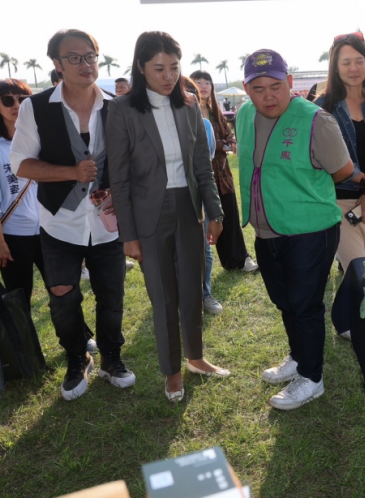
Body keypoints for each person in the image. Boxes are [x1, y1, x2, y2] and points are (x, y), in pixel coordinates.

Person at [239, 48, 365, 409]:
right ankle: (299, 357)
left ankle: (312, 377)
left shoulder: (318, 121)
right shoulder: (243, 116)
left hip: (309, 231)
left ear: (290, 83)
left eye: (276, 86)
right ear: (246, 90)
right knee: (285, 301)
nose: (268, 96)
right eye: (258, 89)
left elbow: (343, 171)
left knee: (305, 304)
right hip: (266, 230)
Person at [11, 29, 135, 401]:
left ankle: (111, 355)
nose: (86, 64)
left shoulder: (116, 107)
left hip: (107, 221)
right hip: (58, 221)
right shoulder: (37, 107)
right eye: (75, 58)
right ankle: (77, 356)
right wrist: (70, 172)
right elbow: (21, 163)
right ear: (56, 64)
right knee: (62, 293)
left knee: (111, 293)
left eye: (91, 56)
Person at [106, 31, 228, 403]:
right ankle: (171, 372)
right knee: (163, 296)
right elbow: (120, 179)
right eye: (159, 68)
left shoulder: (189, 106)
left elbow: (202, 168)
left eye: (174, 67)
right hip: (149, 216)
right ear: (141, 67)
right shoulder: (122, 110)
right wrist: (129, 234)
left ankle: (195, 357)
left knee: (192, 287)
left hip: (188, 210)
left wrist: (215, 212)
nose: (168, 75)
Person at [315, 32, 365, 276]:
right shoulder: (322, 106)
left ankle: (350, 313)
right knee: (360, 271)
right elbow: (328, 159)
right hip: (338, 201)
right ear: (335, 68)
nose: (354, 68)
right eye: (346, 62)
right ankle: (359, 313)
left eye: (359, 61)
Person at [0, 79, 45, 310]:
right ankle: (23, 346)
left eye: (23, 99)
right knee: (19, 296)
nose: (16, 105)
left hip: (48, 227)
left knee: (64, 288)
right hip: (13, 233)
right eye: (8, 100)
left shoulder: (40, 138)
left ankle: (78, 339)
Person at [190, 70, 258, 273]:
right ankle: (201, 270)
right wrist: (221, 145)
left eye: (207, 82)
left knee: (229, 215)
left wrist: (231, 141)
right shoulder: (185, 112)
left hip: (222, 174)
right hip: (199, 178)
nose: (203, 86)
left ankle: (237, 259)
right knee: (203, 222)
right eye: (198, 82)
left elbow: (228, 134)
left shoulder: (215, 111)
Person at [181, 76, 224, 315]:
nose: (189, 100)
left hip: (197, 195)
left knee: (204, 249)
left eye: (192, 96)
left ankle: (205, 294)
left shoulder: (204, 125)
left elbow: (204, 163)